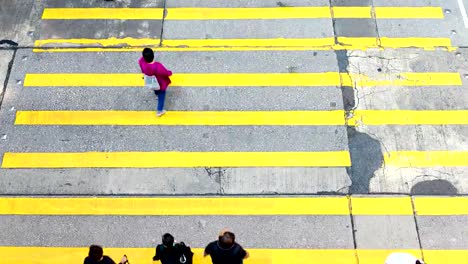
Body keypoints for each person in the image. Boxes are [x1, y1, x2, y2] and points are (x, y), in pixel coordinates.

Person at [138, 47, 173, 117]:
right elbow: (165, 73)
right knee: (162, 95)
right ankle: (160, 111)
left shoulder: (142, 62)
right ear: (153, 56)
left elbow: (140, 62)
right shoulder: (157, 66)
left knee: (154, 88)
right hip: (160, 83)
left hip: (150, 81)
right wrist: (170, 72)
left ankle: (156, 94)